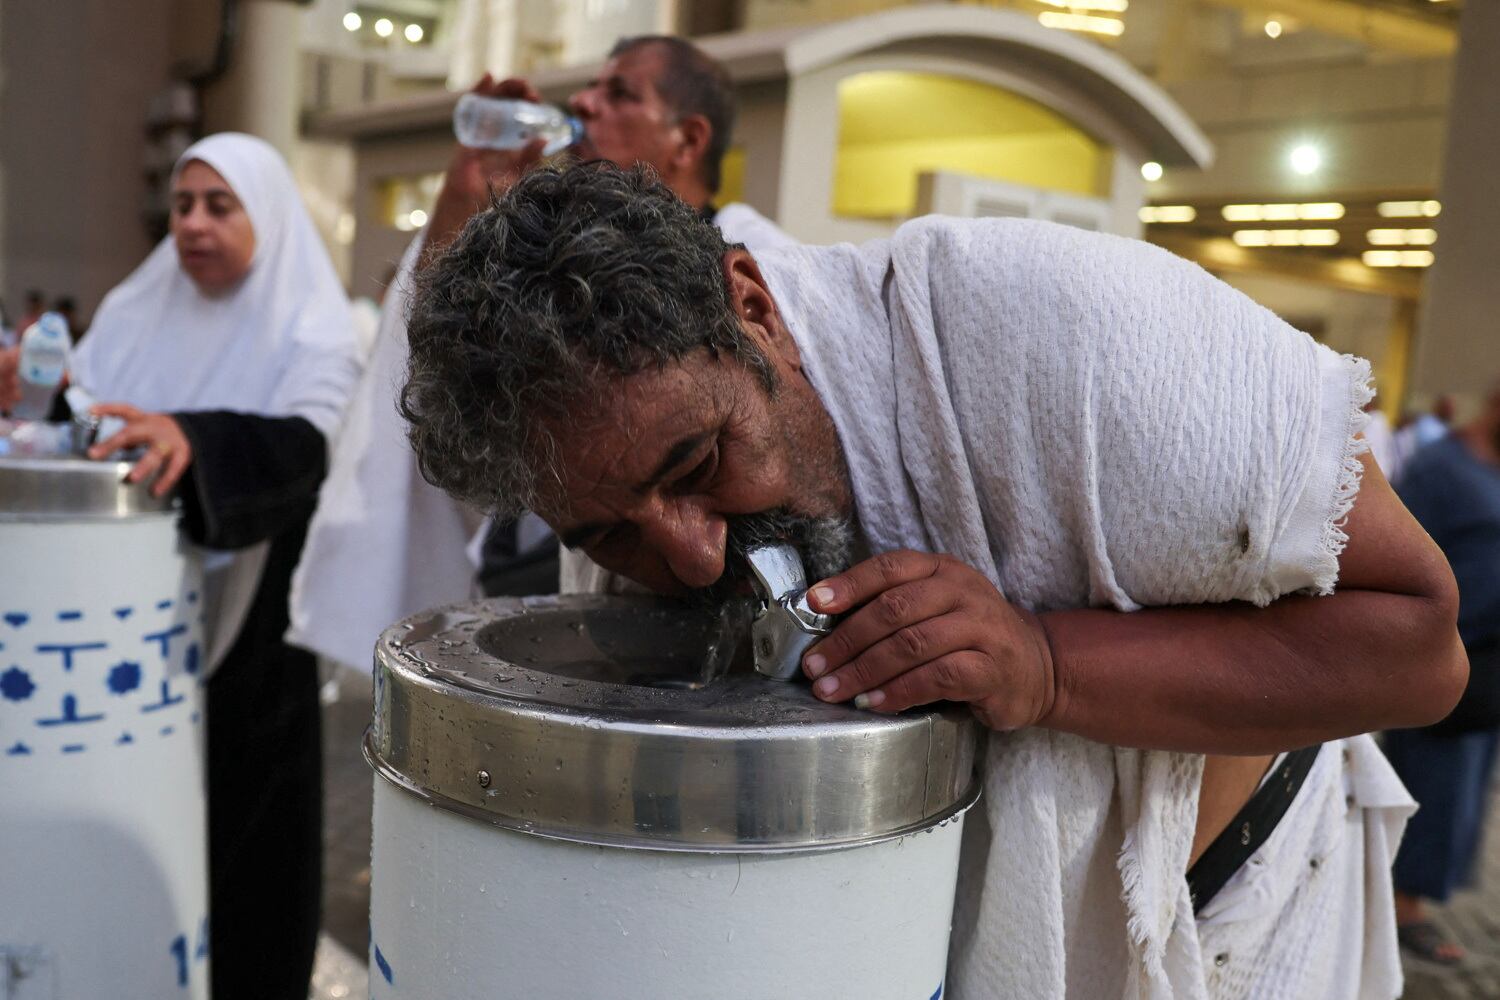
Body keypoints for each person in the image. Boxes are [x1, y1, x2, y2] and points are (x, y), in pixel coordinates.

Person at [399, 163, 1467, 999]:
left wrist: (1049, 667)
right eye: (610, 534)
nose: (689, 557)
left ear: (752, 306)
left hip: (1233, 917)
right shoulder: (621, 463)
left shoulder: (1068, 337)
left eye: (699, 466)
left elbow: (1422, 647)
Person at [289, 34, 794, 671]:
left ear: (687, 140)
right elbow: (447, 390)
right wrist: (465, 200)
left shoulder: (759, 263)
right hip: (524, 592)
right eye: (591, 87)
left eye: (620, 94)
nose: (583, 102)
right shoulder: (554, 277)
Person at [69, 133, 362, 1000]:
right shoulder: (135, 307)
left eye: (219, 206)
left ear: (265, 213)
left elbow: (311, 448)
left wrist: (193, 439)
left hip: (251, 638)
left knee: (247, 869)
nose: (193, 224)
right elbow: (86, 409)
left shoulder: (314, 323)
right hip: (117, 629)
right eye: (184, 205)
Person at [1383, 382, 1500, 966]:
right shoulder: (1440, 468)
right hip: (1444, 655)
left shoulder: (1491, 469)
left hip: (1488, 665)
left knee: (1464, 793)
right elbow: (1397, 554)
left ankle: (1416, 902)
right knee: (1430, 783)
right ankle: (1400, 911)